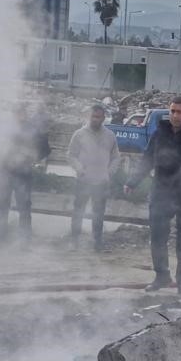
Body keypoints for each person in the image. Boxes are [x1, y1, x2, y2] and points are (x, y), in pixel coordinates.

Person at [124, 96, 181, 298]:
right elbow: (147, 160)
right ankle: (161, 276)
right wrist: (132, 182)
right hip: (161, 192)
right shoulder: (159, 134)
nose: (175, 115)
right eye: (172, 111)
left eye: (180, 112)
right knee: (157, 237)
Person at [0, 103, 51, 244]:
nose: (20, 116)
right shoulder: (4, 129)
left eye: (22, 113)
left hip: (23, 174)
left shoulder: (33, 130)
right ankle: (0, 236)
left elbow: (45, 149)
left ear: (25, 114)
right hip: (5, 172)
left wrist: (33, 158)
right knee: (2, 205)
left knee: (24, 206)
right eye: (17, 113)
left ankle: (24, 238)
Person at [68, 103, 120, 251]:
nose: (95, 119)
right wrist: (79, 169)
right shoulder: (79, 134)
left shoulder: (110, 136)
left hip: (101, 182)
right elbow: (71, 155)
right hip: (83, 180)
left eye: (98, 117)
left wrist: (109, 172)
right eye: (93, 116)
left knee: (98, 213)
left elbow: (116, 157)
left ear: (103, 118)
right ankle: (74, 240)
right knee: (78, 211)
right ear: (88, 116)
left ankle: (97, 242)